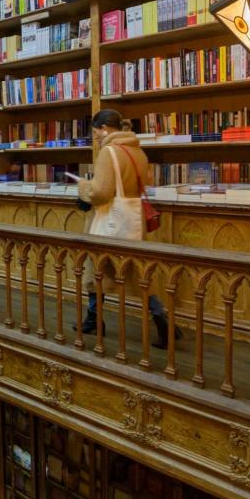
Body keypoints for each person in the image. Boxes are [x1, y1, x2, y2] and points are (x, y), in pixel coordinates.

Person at [76, 110, 175, 347]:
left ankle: (93, 320)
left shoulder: (108, 152)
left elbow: (101, 192)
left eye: (96, 132)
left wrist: (83, 187)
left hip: (109, 221)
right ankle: (161, 316)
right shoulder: (138, 151)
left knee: (95, 271)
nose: (96, 138)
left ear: (105, 129)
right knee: (137, 273)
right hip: (132, 221)